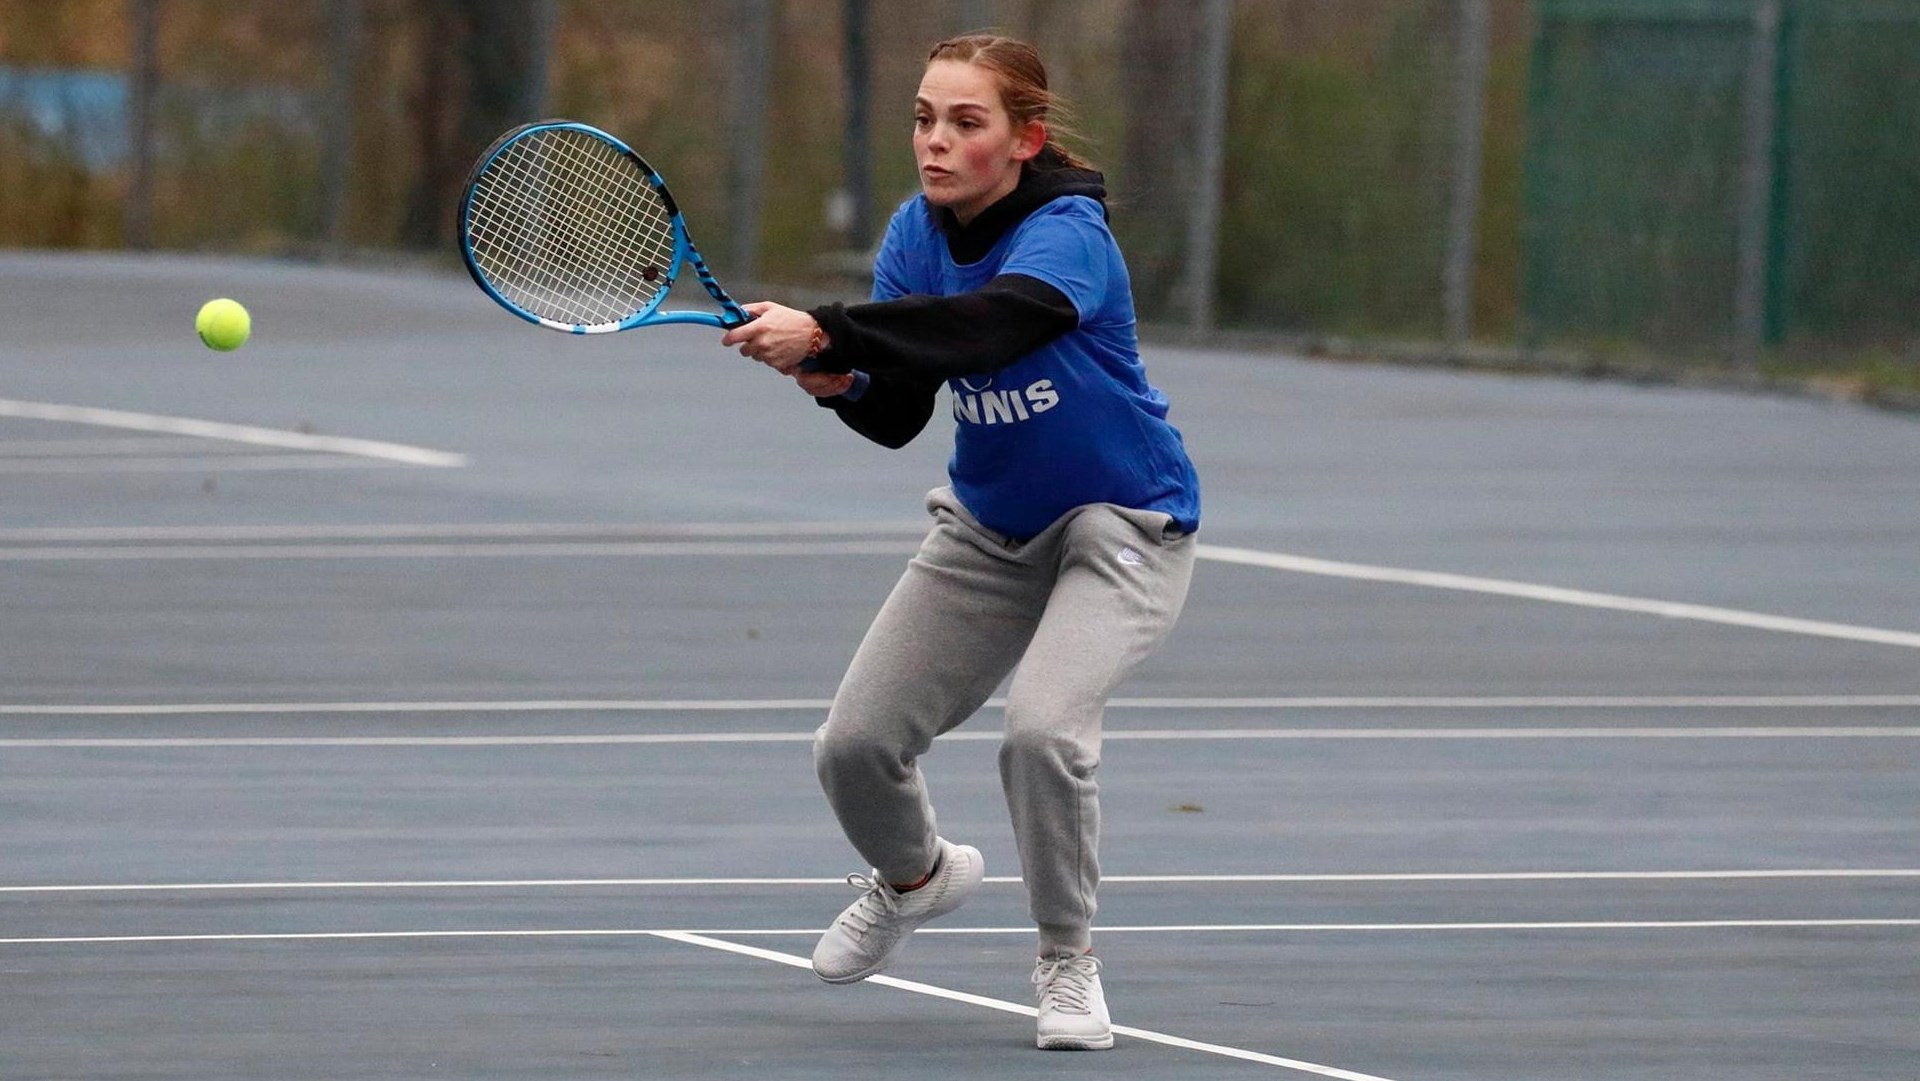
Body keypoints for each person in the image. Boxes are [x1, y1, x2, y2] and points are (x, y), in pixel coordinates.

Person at [720, 32, 1199, 1052]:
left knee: (1043, 732)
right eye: (924, 117)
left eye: (965, 122)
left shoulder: (1070, 234)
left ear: (1024, 140)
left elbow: (989, 328)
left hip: (1122, 525)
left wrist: (832, 330)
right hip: (988, 529)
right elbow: (900, 411)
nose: (935, 141)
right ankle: (919, 877)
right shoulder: (913, 232)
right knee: (853, 747)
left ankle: (1067, 960)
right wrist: (838, 377)